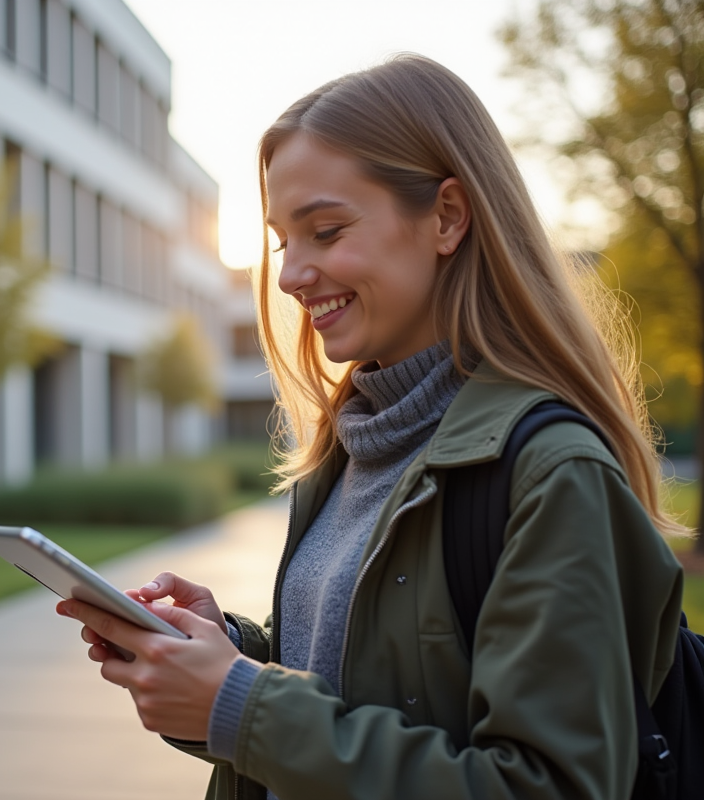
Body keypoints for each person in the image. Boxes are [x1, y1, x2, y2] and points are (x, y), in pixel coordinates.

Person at [55, 54, 688, 800]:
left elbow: (552, 786)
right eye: (284, 240)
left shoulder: (551, 472)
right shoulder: (349, 451)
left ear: (448, 217)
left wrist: (241, 706)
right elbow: (363, 689)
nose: (290, 275)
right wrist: (225, 659)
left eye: (325, 230)